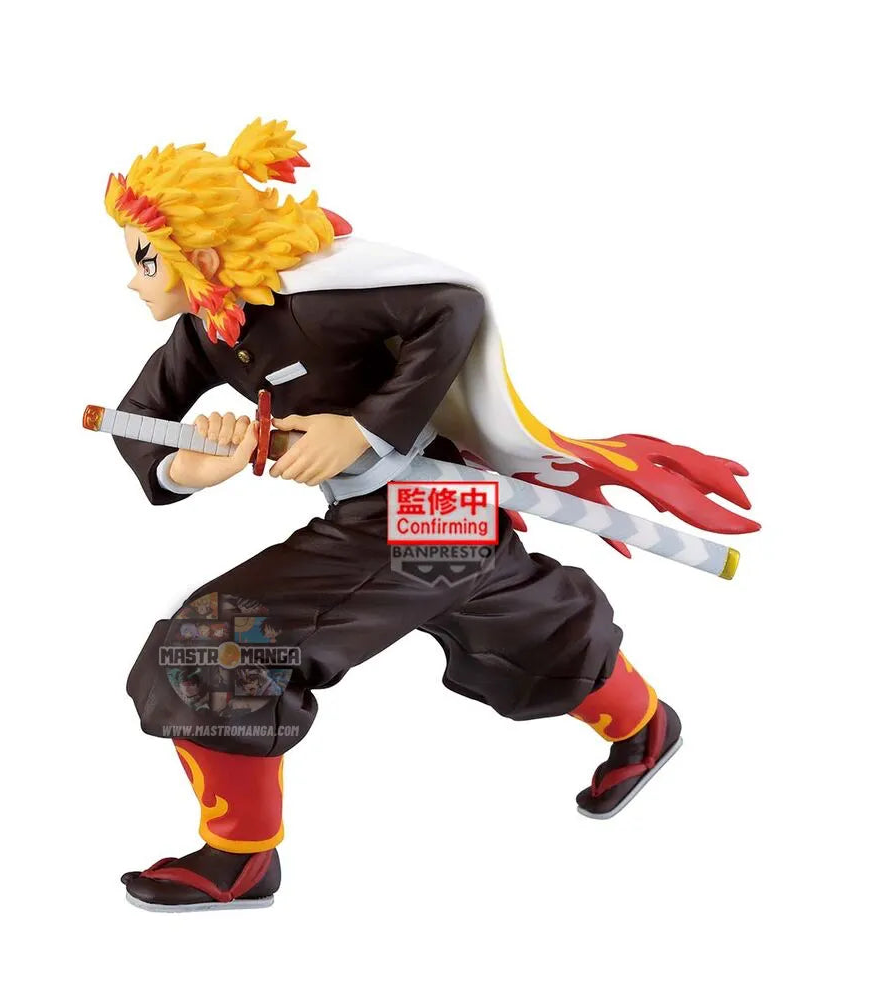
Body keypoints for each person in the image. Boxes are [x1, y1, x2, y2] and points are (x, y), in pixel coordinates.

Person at [100, 118, 752, 912]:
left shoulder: (320, 299)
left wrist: (364, 428)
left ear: (201, 256)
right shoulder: (208, 328)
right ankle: (645, 728)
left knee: (212, 645)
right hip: (425, 512)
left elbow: (453, 307)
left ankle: (239, 857)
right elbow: (138, 416)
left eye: (145, 258)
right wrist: (190, 467)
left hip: (420, 499)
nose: (133, 280)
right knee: (522, 623)